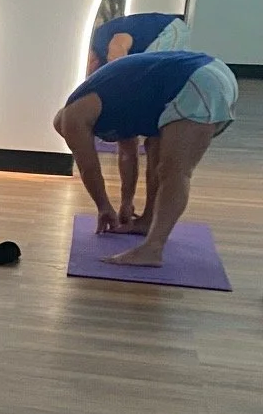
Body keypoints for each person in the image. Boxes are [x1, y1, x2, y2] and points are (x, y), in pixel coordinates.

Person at [54, 50, 236, 267]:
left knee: (174, 171)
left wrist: (104, 208)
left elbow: (89, 169)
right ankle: (148, 221)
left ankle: (153, 249)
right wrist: (126, 203)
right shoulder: (106, 101)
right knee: (156, 152)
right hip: (201, 75)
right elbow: (128, 155)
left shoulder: (73, 116)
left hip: (197, 83)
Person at [87, 11, 188, 75]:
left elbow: (118, 46)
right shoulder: (100, 63)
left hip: (168, 31)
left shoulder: (99, 38)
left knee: (151, 79)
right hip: (166, 34)